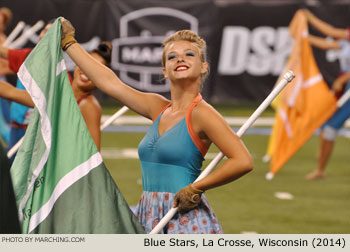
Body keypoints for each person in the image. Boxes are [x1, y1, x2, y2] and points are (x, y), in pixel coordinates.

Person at [60, 18, 254, 234]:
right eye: (172, 56)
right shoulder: (157, 107)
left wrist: (197, 187)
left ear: (203, 66)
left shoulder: (203, 114)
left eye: (189, 54)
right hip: (149, 212)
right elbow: (110, 83)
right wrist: (70, 43)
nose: (180, 58)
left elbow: (243, 160)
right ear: (164, 70)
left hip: (184, 218)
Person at [0, 41, 113, 151]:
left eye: (95, 70)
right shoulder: (59, 92)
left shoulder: (88, 105)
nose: (88, 71)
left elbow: (93, 157)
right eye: (87, 64)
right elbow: (11, 93)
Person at [301, 9, 350, 180]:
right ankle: (320, 166)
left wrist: (310, 18)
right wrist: (301, 36)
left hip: (347, 89)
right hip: (345, 89)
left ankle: (320, 169)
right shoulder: (345, 42)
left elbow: (330, 32)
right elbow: (325, 42)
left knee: (330, 128)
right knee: (327, 125)